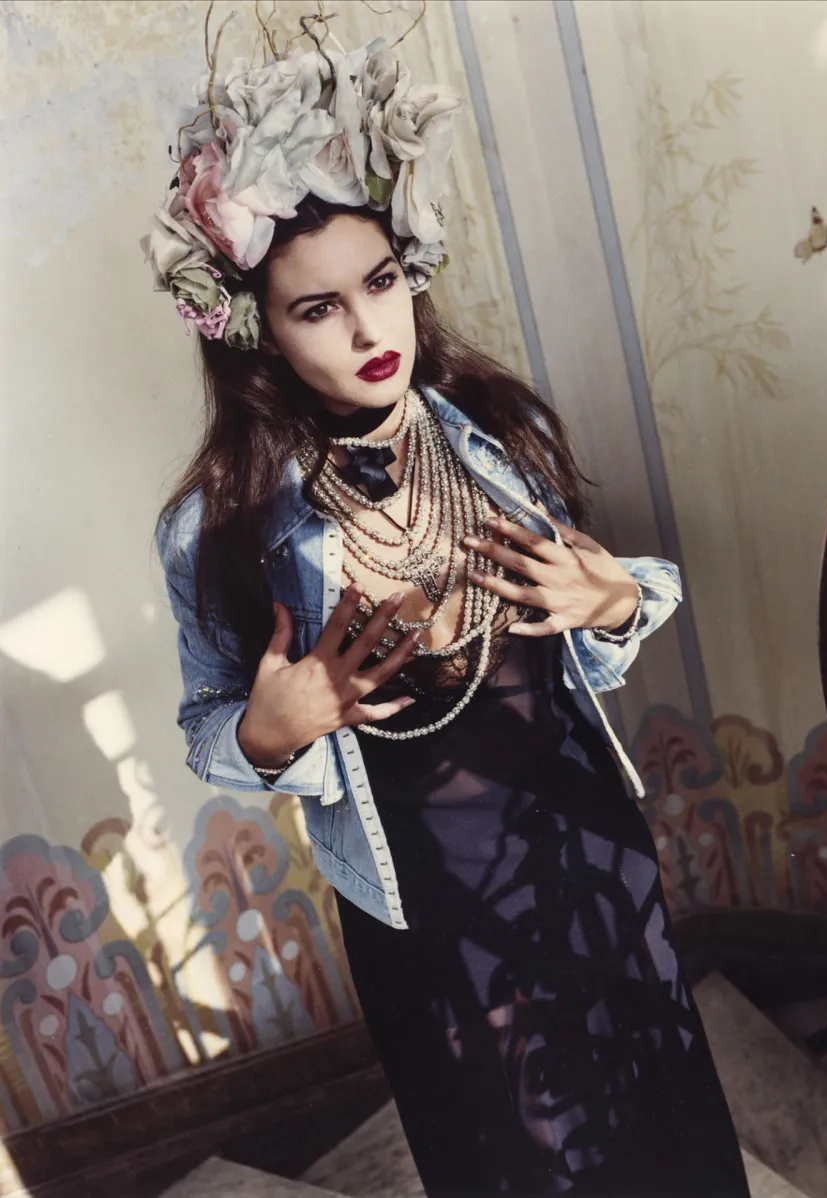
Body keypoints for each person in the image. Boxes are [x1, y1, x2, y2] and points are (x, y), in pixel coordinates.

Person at [148, 29, 751, 1198]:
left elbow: (616, 600)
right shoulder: (214, 527)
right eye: (317, 307)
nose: (369, 330)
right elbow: (208, 725)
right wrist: (273, 729)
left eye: (380, 284)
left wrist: (616, 597)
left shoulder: (498, 436)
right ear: (260, 333)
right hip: (425, 900)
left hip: (586, 840)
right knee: (522, 1154)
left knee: (665, 1121)